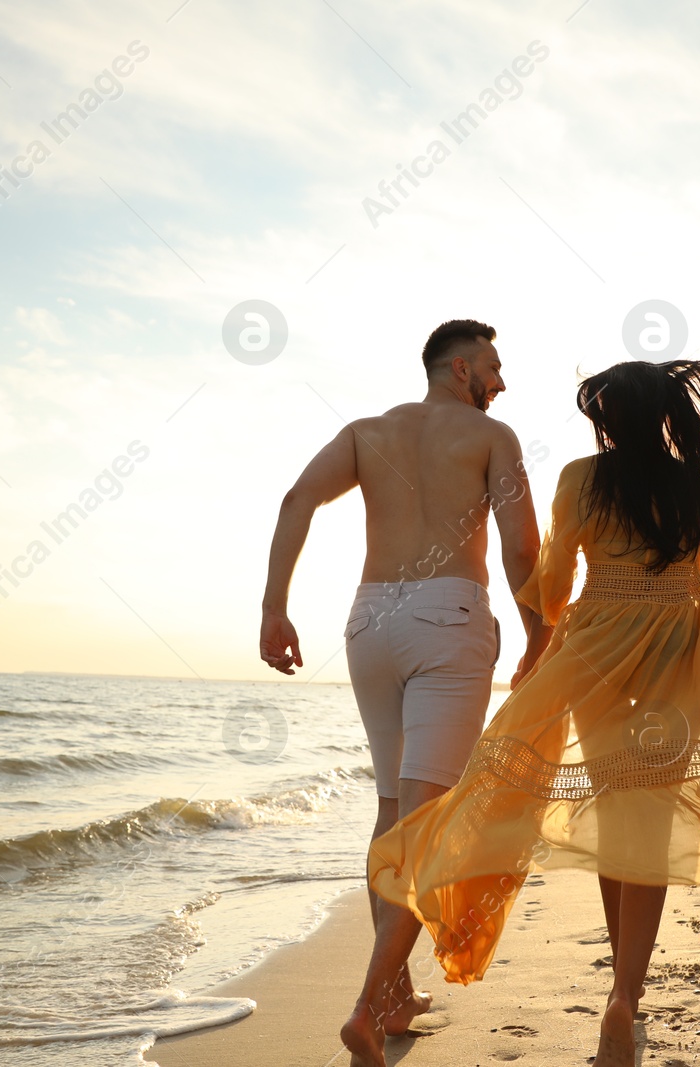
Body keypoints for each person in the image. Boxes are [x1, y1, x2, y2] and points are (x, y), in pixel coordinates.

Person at [364, 359, 700, 1067]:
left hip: (596, 657)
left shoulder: (581, 480)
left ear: (607, 419)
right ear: (664, 416)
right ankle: (626, 996)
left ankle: (622, 988)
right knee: (646, 819)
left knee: (615, 800)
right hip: (678, 658)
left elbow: (556, 580)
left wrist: (533, 616)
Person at [258, 319, 554, 1053]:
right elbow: (521, 544)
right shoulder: (495, 437)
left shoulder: (365, 432)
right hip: (447, 613)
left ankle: (392, 996)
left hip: (370, 621)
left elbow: (297, 498)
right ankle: (366, 1004)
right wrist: (539, 631)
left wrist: (274, 608)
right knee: (431, 820)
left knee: (394, 808)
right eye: (493, 366)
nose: (502, 381)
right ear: (459, 369)